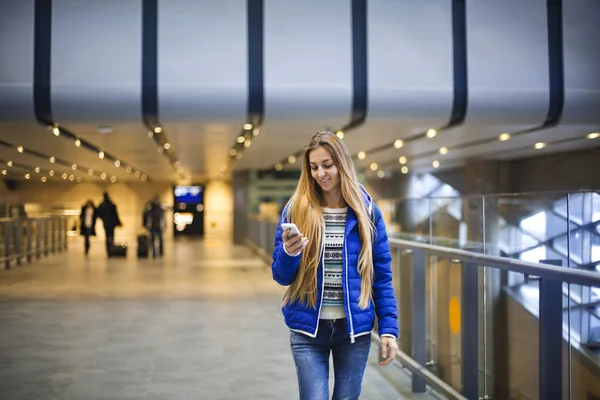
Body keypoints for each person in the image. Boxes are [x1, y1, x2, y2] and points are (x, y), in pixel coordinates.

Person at [271, 131, 399, 400]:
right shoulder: (295, 210)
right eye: (314, 167)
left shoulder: (368, 212)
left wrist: (389, 329)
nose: (320, 173)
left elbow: (382, 276)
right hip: (307, 330)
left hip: (353, 332)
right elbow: (281, 276)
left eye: (327, 165)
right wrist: (289, 253)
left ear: (342, 164)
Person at [96, 192, 122, 256]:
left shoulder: (102, 205)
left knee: (107, 236)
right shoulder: (111, 204)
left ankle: (109, 249)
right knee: (111, 236)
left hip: (106, 223)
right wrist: (118, 222)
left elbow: (98, 213)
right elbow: (116, 214)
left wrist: (103, 218)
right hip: (111, 223)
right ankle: (111, 248)